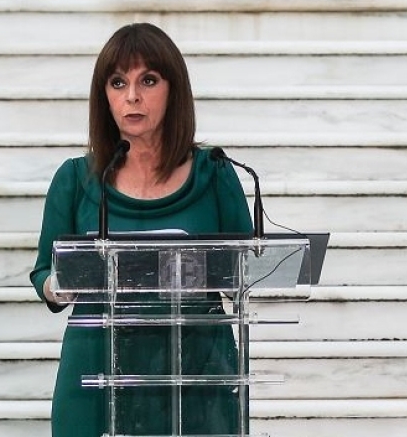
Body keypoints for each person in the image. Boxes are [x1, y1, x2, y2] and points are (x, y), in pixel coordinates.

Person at [30, 22, 253, 436]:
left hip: (196, 371)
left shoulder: (215, 174)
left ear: (174, 90)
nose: (131, 96)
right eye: (118, 82)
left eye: (148, 80)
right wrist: (62, 282)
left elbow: (248, 270)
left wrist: (214, 271)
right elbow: (42, 272)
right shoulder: (76, 178)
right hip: (96, 370)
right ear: (104, 96)